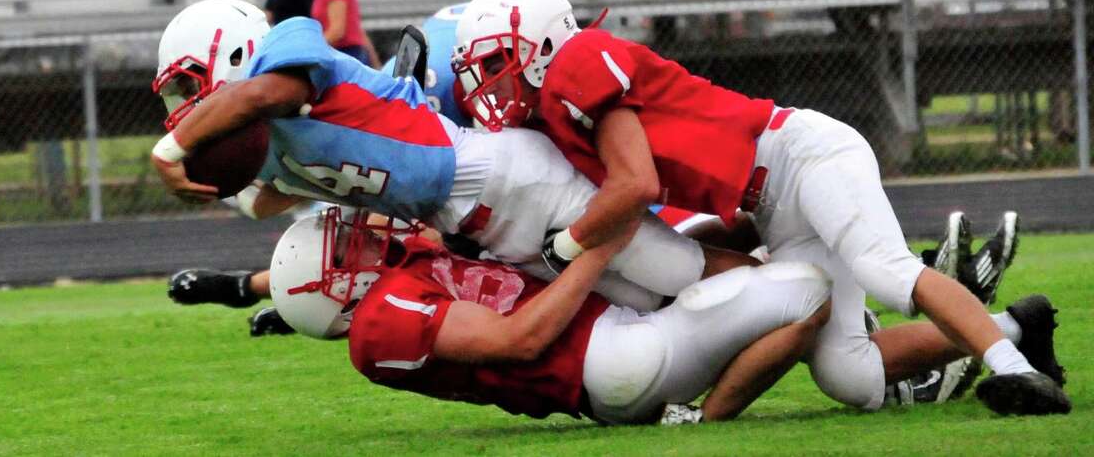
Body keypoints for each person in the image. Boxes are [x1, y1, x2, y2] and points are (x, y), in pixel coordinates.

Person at [450, 0, 1071, 417]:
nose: (490, 80)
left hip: (801, 156)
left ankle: (1017, 374)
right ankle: (1018, 327)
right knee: (847, 375)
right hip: (768, 203)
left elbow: (634, 185)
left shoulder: (580, 63)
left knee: (886, 270)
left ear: (546, 42)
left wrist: (568, 241)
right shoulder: (556, 114)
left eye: (499, 59)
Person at [149, 0, 752, 315]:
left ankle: (799, 295)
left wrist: (174, 148)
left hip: (507, 177)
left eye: (188, 83)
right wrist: (214, 167)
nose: (184, 103)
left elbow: (262, 93)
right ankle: (766, 293)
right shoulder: (267, 144)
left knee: (676, 271)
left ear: (231, 54)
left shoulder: (286, 52)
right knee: (644, 301)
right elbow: (262, 200)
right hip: (466, 220)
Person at [268, 206, 833, 425]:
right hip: (607, 363)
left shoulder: (400, 267)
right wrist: (600, 250)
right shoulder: (377, 322)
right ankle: (708, 418)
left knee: (717, 235)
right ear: (334, 293)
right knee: (809, 295)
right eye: (345, 249)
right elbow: (521, 339)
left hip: (610, 330)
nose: (362, 237)